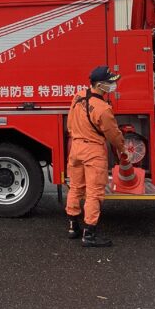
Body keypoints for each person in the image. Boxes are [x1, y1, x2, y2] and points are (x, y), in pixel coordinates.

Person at [65, 65, 126, 247]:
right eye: (110, 82)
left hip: (76, 148)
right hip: (93, 152)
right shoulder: (103, 109)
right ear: (100, 85)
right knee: (94, 193)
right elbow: (113, 135)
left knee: (75, 187)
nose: (113, 85)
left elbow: (69, 123)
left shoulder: (77, 96)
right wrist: (123, 150)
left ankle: (72, 227)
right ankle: (89, 235)